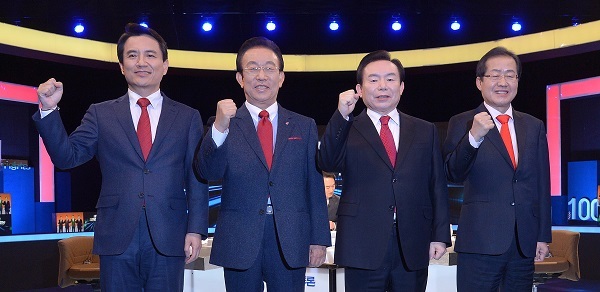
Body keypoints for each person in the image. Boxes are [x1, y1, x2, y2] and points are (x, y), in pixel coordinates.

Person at [33, 23, 208, 290]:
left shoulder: (187, 116)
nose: (141, 62)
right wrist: (49, 109)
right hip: (116, 235)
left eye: (150, 55)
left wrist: (195, 229)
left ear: (165, 65)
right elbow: (67, 157)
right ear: (121, 66)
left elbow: (196, 176)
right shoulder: (101, 114)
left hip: (169, 234)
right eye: (132, 55)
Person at [195, 36, 331, 292]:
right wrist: (219, 127)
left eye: (269, 68)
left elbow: (314, 186)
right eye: (253, 68)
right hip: (239, 239)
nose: (261, 75)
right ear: (240, 78)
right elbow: (207, 172)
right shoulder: (224, 123)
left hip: (290, 237)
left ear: (281, 77)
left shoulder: (305, 125)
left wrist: (319, 239)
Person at [318, 50, 451, 291]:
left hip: (412, 242)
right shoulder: (348, 127)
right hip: (361, 243)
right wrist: (340, 115)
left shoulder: (425, 130)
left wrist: (440, 234)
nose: (382, 86)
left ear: (401, 87)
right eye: (373, 79)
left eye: (390, 79)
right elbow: (326, 162)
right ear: (359, 89)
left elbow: (437, 185)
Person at [443, 46, 551, 291]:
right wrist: (474, 137)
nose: (503, 82)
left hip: (523, 243)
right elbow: (452, 173)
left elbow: (542, 183)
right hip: (479, 242)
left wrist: (543, 234)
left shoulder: (533, 126)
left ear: (517, 81)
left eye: (510, 75)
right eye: (495, 75)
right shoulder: (462, 122)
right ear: (480, 82)